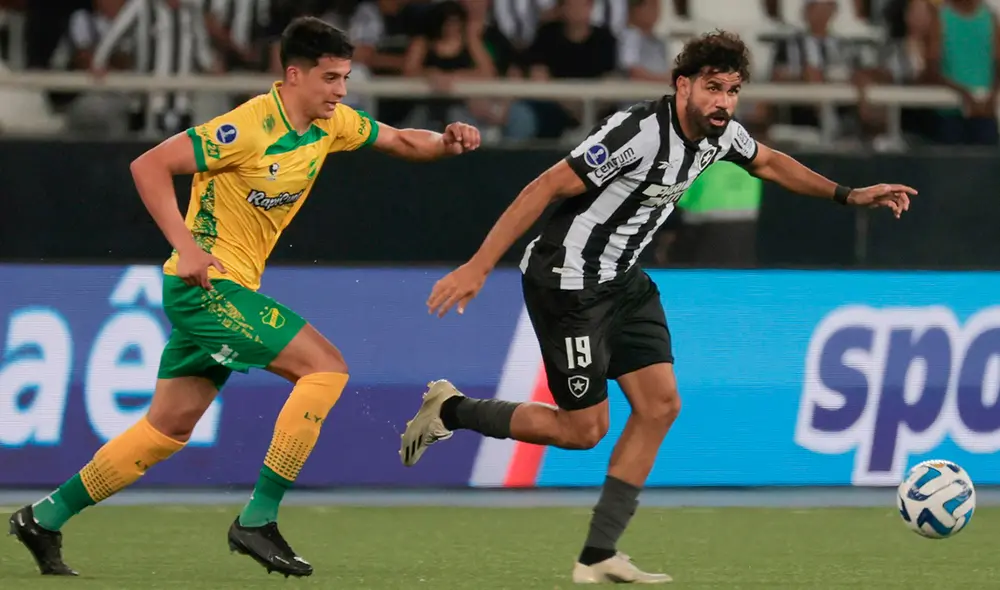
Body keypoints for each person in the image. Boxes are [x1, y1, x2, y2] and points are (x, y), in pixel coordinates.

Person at [399, 30, 915, 584]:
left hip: (625, 282)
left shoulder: (720, 137)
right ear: (683, 85)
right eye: (713, 88)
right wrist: (480, 265)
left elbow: (769, 162)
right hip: (567, 284)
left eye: (733, 90)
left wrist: (849, 194)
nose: (723, 102)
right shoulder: (638, 132)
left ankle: (598, 555)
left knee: (661, 405)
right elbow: (545, 187)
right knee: (582, 431)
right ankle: (450, 410)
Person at [9, 16, 480, 579]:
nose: (341, 91)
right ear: (293, 74)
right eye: (330, 78)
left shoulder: (330, 124)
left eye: (346, 78)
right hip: (204, 287)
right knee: (325, 369)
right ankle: (257, 519)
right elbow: (149, 165)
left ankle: (43, 518)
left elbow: (403, 140)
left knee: (167, 430)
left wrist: (447, 144)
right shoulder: (248, 127)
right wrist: (185, 248)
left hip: (224, 291)